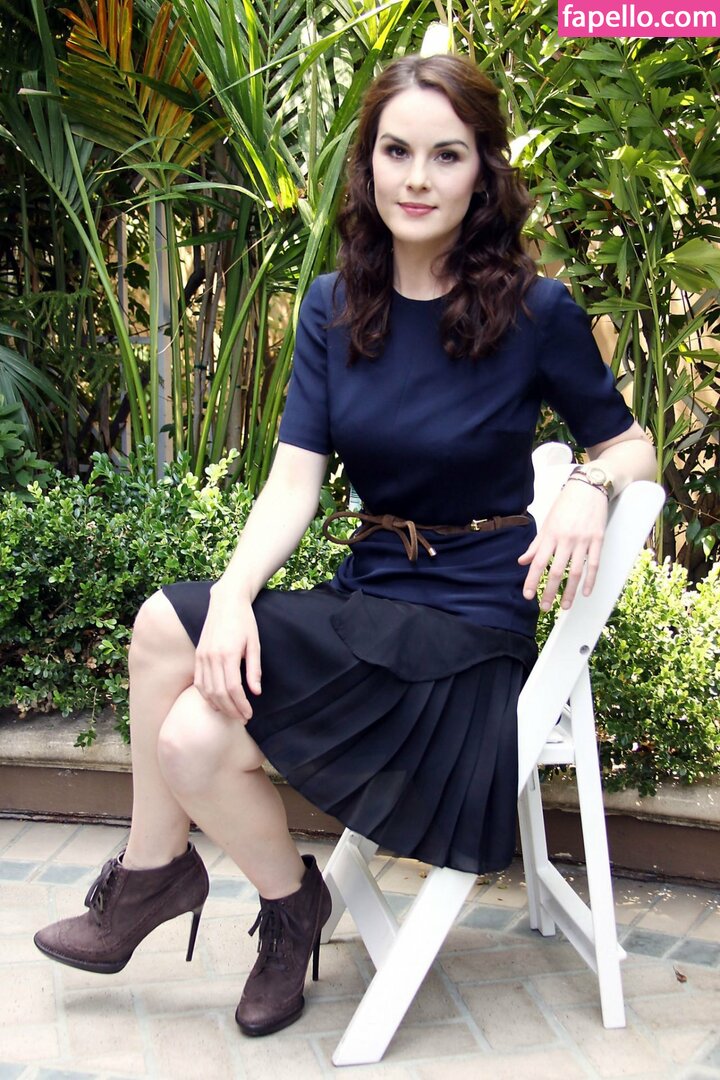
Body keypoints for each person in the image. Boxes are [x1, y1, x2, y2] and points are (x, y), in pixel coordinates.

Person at [34, 53, 656, 1037]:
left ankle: (171, 885)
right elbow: (294, 481)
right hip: (368, 600)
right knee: (181, 694)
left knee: (173, 675)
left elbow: (629, 442)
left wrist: (591, 483)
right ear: (367, 164)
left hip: (465, 634)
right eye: (396, 151)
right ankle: (262, 901)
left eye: (446, 155)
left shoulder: (535, 311)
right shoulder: (335, 305)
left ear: (483, 170)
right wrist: (234, 596)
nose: (417, 178)